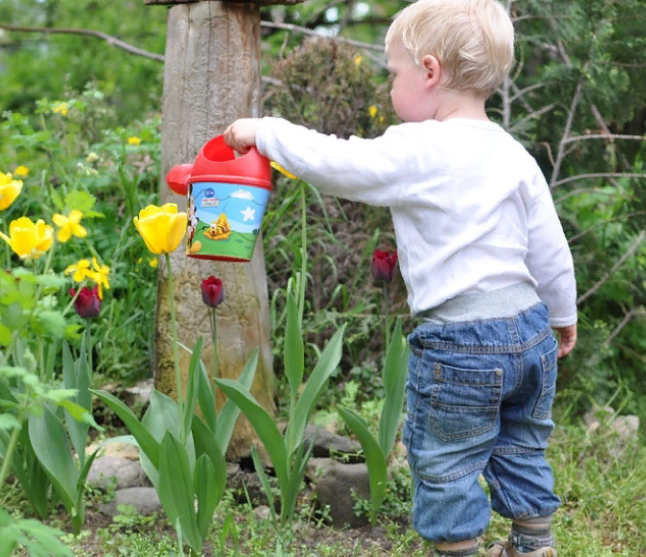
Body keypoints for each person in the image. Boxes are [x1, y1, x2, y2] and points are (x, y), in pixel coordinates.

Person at [223, 0, 577, 555]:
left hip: (461, 341)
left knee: (447, 461)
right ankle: (535, 544)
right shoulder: (513, 154)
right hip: (527, 329)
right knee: (522, 446)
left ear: (430, 72)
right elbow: (549, 246)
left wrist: (264, 131)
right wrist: (563, 315)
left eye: (395, 74)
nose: (390, 87)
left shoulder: (419, 147)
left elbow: (337, 164)